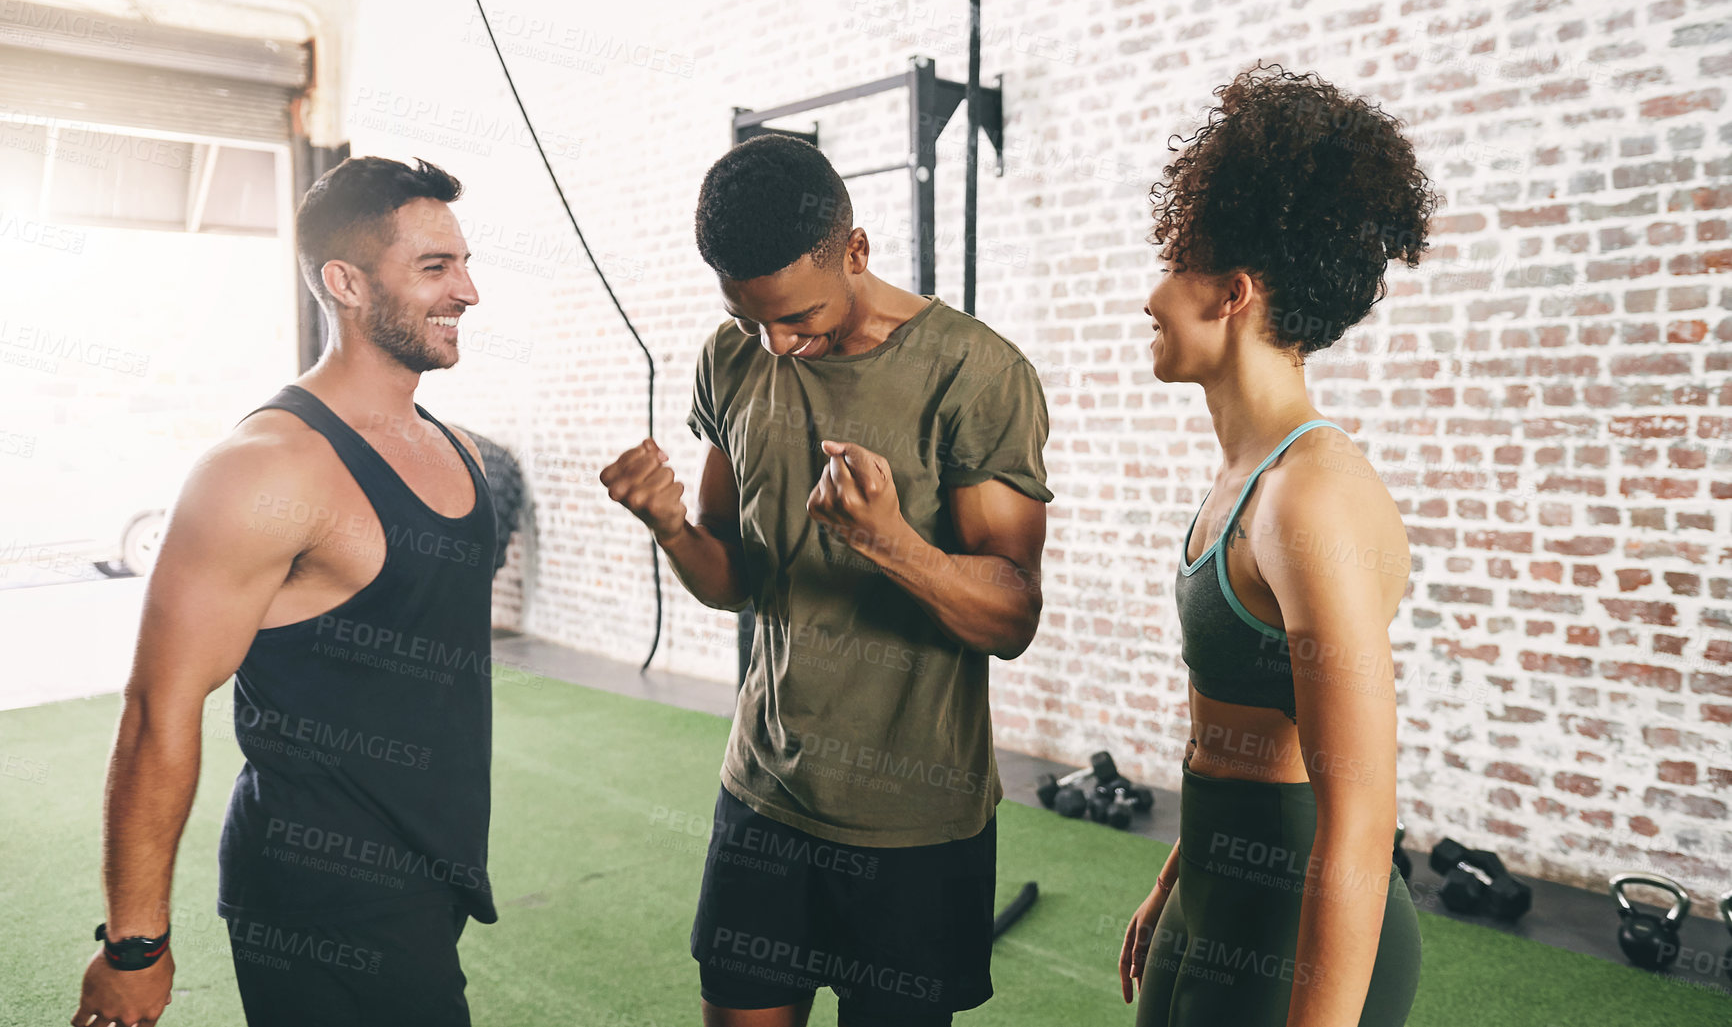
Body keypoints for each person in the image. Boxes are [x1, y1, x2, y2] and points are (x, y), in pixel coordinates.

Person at [600, 132, 1052, 1027]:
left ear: (856, 251)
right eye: (749, 316)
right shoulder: (731, 361)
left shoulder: (976, 372)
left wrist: (890, 543)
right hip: (764, 791)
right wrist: (671, 526)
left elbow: (1012, 616)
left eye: (799, 317)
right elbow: (734, 580)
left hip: (915, 822)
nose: (777, 342)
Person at [72, 156, 497, 1027]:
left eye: (462, 262)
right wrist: (134, 945)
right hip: (318, 896)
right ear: (345, 282)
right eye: (434, 267)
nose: (469, 291)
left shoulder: (458, 449)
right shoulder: (263, 472)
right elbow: (160, 707)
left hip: (431, 872)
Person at [1118, 64, 1435, 1027]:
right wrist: (1183, 871)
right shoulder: (1242, 477)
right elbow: (1252, 733)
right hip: (1217, 882)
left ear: (1233, 296)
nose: (1150, 299)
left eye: (1174, 266)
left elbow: (1359, 815)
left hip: (1295, 921)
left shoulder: (1309, 497)